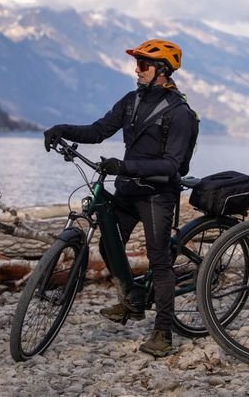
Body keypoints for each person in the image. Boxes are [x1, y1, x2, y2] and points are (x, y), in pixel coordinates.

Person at [43, 39, 198, 358]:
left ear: (163, 71)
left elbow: (171, 165)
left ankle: (163, 333)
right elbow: (99, 130)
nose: (136, 70)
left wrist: (123, 165)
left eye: (143, 65)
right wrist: (62, 129)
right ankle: (132, 299)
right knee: (107, 243)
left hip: (157, 195)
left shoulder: (180, 113)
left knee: (159, 260)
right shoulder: (131, 101)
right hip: (129, 190)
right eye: (137, 64)